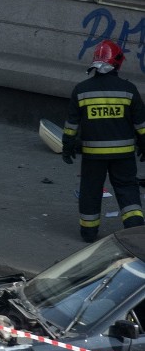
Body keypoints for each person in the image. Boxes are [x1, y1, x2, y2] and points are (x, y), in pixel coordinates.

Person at [62, 39, 145, 243]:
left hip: (93, 155)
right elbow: (141, 124)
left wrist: (67, 145)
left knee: (90, 191)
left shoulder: (81, 90)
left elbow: (71, 125)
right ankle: (135, 229)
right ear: (117, 63)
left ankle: (89, 232)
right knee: (127, 189)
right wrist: (144, 143)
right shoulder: (128, 90)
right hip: (123, 155)